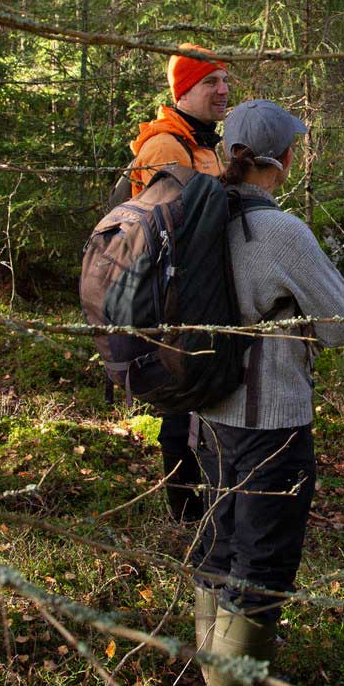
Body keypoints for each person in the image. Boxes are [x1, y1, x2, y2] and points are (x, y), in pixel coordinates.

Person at [190, 99, 344, 686]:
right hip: (271, 418)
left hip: (207, 413)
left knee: (218, 541)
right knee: (263, 559)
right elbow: (340, 323)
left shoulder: (201, 218)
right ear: (283, 159)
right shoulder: (282, 232)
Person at [115, 48, 231, 523]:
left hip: (200, 289)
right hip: (176, 297)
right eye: (211, 83)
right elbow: (164, 231)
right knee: (181, 402)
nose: (223, 90)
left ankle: (206, 500)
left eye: (226, 81)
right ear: (183, 91)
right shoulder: (167, 146)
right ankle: (184, 511)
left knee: (199, 395)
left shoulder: (201, 142)